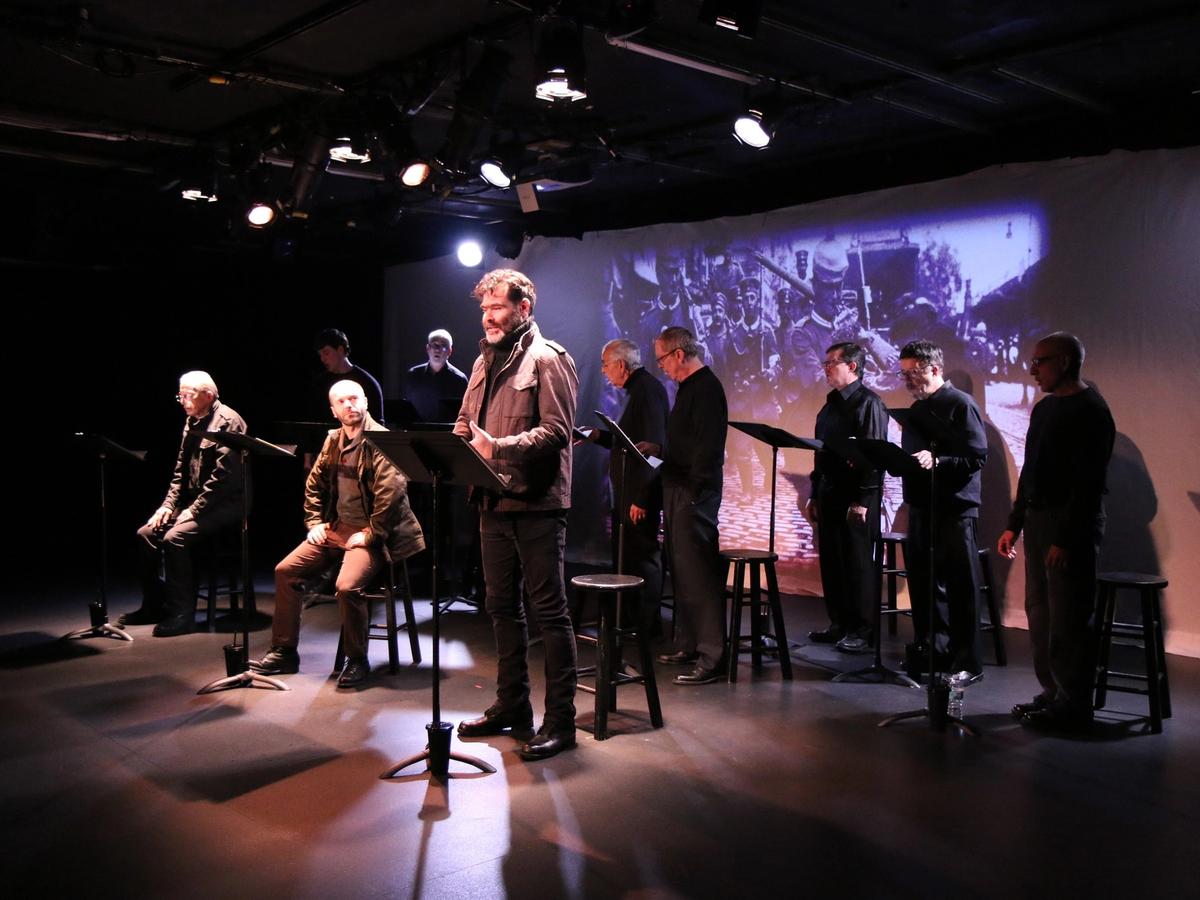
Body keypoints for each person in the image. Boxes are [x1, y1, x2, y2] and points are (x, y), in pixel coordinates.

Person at [453, 268, 580, 761]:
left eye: (497, 307)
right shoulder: (482, 360)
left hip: (537, 503)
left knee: (549, 611)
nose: (488, 316)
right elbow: (467, 420)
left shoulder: (549, 358)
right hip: (492, 499)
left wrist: (499, 446)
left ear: (523, 308)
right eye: (484, 309)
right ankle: (512, 705)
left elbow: (558, 431)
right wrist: (458, 440)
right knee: (501, 607)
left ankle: (561, 722)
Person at [251, 381, 425, 687]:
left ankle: (356, 659)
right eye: (341, 401)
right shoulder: (333, 439)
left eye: (354, 398)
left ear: (366, 402)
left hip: (374, 533)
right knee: (286, 571)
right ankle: (284, 651)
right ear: (333, 410)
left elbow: (391, 495)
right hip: (338, 528)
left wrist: (372, 534)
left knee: (346, 586)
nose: (349, 405)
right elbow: (314, 484)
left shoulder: (384, 440)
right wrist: (315, 522)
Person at [998, 333, 1115, 731]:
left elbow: (1089, 484)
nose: (1032, 369)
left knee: (1069, 616)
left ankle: (1073, 705)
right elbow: (1030, 470)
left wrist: (1066, 538)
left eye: (1040, 361)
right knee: (1041, 611)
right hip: (1038, 520)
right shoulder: (1045, 408)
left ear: (1064, 362)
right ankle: (1053, 693)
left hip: (1069, 525)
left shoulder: (1091, 410)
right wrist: (1014, 523)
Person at [126, 371, 246, 636]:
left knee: (175, 538)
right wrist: (167, 506)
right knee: (146, 534)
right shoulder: (192, 420)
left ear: (208, 395)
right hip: (197, 502)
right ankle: (155, 605)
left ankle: (182, 615)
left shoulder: (228, 422)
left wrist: (193, 510)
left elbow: (223, 480)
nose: (182, 400)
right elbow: (180, 471)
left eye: (187, 395)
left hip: (226, 504)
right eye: (180, 395)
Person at [897, 340, 988, 679]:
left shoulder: (961, 404)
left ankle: (967, 662)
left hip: (955, 508)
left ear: (934, 369)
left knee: (961, 587)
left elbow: (977, 456)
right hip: (923, 506)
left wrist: (938, 461)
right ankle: (934, 653)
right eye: (903, 373)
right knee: (925, 585)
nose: (907, 380)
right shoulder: (917, 409)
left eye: (913, 372)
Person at [653, 325, 729, 685]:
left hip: (693, 493)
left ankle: (713, 656)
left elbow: (709, 447)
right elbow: (684, 442)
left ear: (679, 354)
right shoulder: (687, 388)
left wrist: (695, 492)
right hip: (677, 487)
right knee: (682, 572)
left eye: (662, 360)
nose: (661, 367)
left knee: (698, 573)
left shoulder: (707, 388)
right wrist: (660, 451)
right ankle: (688, 643)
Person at [806, 342, 889, 653]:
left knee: (857, 563)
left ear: (852, 366)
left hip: (856, 496)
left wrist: (863, 500)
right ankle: (838, 624)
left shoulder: (869, 404)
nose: (825, 368)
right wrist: (814, 493)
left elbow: (875, 457)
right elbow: (821, 453)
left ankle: (862, 630)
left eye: (831, 363)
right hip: (829, 493)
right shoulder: (830, 405)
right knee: (832, 561)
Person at [589, 338, 670, 630]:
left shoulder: (647, 391)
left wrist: (643, 497)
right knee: (630, 557)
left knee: (643, 557)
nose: (603, 371)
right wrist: (598, 436)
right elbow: (630, 443)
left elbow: (654, 451)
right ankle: (631, 619)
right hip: (629, 493)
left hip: (639, 496)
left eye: (605, 364)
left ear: (621, 365)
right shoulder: (638, 390)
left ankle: (646, 624)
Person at [313, 328, 385, 424]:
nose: (322, 359)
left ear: (340, 350)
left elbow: (377, 425)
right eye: (320, 355)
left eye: (326, 353)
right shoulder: (320, 383)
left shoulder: (367, 382)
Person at [403, 328, 468, 423]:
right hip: (417, 430)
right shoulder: (413, 375)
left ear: (450, 351)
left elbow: (464, 414)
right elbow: (407, 408)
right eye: (435, 345)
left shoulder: (459, 379)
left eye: (443, 345)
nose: (437, 350)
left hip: (447, 431)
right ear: (428, 348)